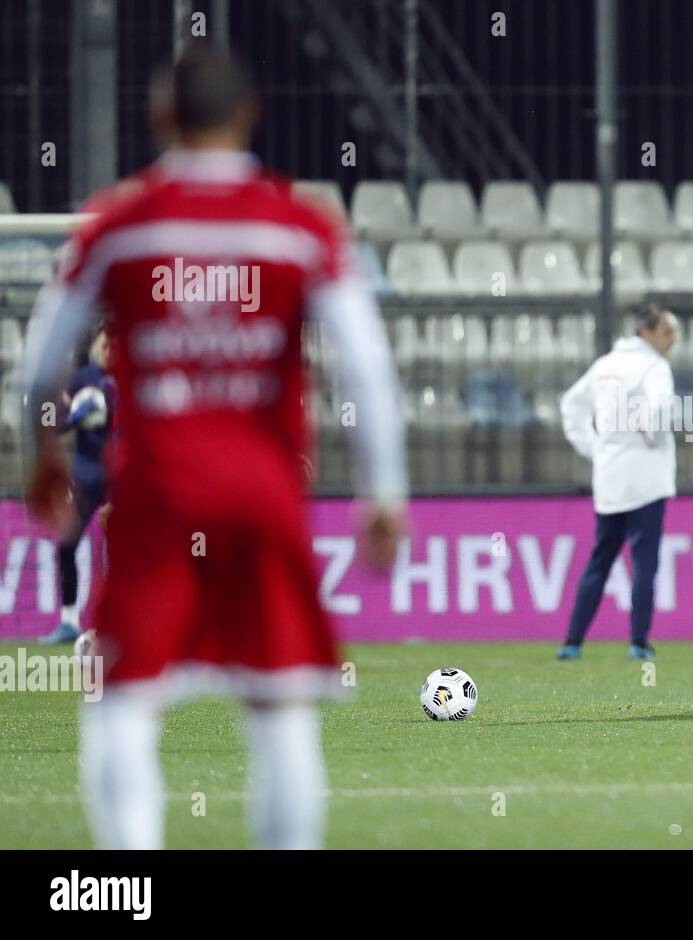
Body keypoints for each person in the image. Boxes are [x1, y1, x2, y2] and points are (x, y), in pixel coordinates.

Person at [22, 46, 408, 849]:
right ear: (250, 114)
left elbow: (41, 363)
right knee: (278, 708)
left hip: (158, 499)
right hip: (263, 495)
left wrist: (44, 453)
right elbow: (366, 371)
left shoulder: (120, 226)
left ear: (161, 116)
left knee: (122, 700)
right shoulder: (299, 227)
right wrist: (384, 492)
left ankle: (128, 884)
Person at [556, 303, 679, 661]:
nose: (672, 340)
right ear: (647, 332)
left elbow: (570, 405)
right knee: (644, 564)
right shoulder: (655, 367)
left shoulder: (606, 365)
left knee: (600, 559)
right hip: (646, 479)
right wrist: (652, 437)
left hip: (609, 478)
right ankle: (639, 643)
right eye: (667, 332)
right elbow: (661, 408)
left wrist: (593, 447)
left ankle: (573, 642)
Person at [38, 324, 117, 644]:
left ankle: (116, 625)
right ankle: (69, 621)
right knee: (66, 544)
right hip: (85, 476)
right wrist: (72, 416)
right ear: (95, 347)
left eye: (114, 345)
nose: (109, 351)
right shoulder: (80, 379)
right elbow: (49, 424)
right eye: (104, 345)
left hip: (120, 480)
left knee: (120, 552)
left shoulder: (131, 381)